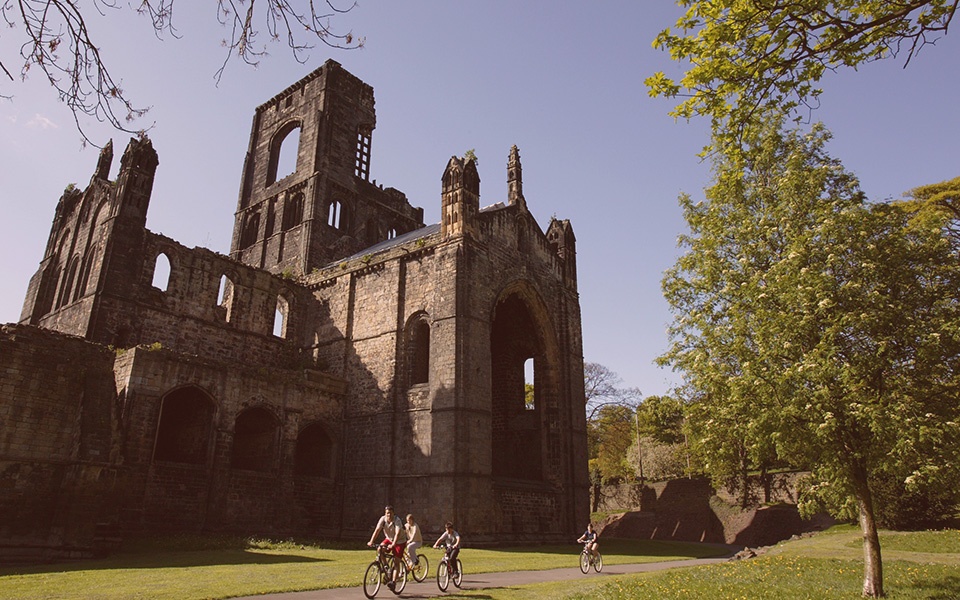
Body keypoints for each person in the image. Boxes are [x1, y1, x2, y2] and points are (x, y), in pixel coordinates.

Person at [367, 505, 407, 589]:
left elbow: (397, 533)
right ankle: (386, 567)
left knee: (396, 562)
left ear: (393, 513)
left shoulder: (397, 520)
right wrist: (371, 541)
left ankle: (393, 582)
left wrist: (393, 544)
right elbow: (377, 530)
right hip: (389, 539)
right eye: (387, 513)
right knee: (380, 549)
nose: (389, 515)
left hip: (399, 541)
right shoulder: (383, 519)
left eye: (390, 513)